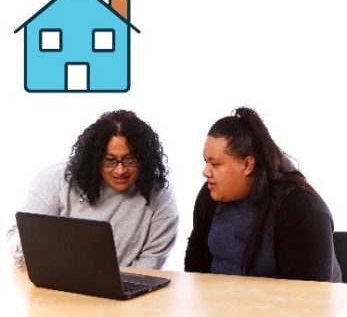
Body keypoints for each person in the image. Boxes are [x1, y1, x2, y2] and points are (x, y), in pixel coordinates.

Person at [184, 106, 342, 282]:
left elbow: (309, 297)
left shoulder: (301, 209)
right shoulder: (211, 194)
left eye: (215, 164)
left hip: (279, 307)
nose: (206, 172)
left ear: (247, 165)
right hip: (221, 305)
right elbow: (196, 257)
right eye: (206, 162)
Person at [7, 110, 179, 269]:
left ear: (144, 159)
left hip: (124, 293)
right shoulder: (56, 180)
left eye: (130, 160)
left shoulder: (160, 193)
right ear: (95, 159)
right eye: (110, 160)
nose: (120, 170)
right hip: (55, 288)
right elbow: (17, 239)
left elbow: (151, 265)